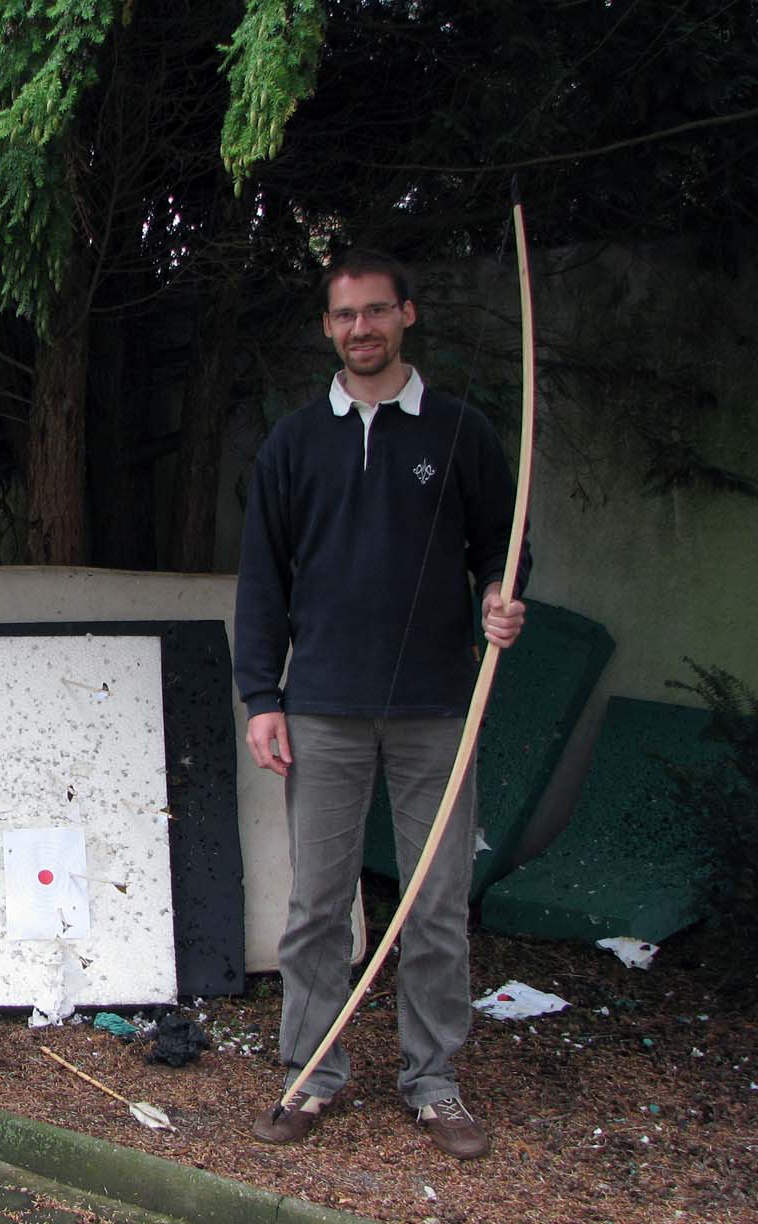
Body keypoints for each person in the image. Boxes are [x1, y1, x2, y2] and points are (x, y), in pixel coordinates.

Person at [234, 250, 528, 1160]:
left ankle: (433, 1081)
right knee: (318, 905)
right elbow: (262, 579)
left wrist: (500, 596)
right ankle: (311, 1072)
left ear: (407, 314)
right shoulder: (293, 442)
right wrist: (262, 696)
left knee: (435, 903)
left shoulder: (461, 430)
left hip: (437, 709)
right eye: (344, 315)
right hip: (322, 706)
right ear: (328, 328)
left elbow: (504, 546)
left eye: (375, 311)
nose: (360, 328)